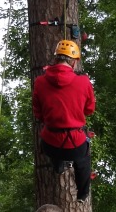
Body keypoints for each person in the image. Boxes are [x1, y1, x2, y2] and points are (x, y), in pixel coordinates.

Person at [32, 40, 96, 202]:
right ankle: (82, 194)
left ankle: (58, 166)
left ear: (55, 59)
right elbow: (89, 110)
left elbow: (38, 114)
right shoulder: (83, 82)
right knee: (83, 161)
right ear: (74, 62)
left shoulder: (40, 82)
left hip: (50, 144)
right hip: (74, 144)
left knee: (52, 147)